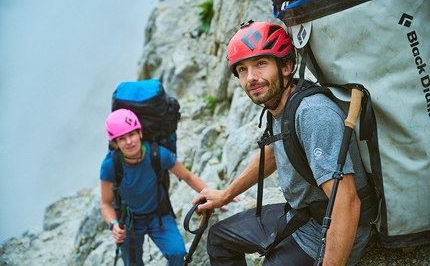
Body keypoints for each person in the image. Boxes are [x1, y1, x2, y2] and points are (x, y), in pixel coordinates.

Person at [192, 20, 375, 266]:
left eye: (260, 64)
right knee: (219, 238)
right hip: (302, 215)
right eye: (242, 70)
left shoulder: (312, 113)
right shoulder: (281, 104)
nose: (251, 78)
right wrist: (225, 195)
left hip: (324, 227)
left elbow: (347, 202)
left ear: (287, 65)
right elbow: (275, 152)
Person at [100, 108, 237, 266]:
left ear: (140, 134)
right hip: (130, 221)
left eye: (131, 134)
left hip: (159, 215)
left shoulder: (158, 155)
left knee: (178, 254)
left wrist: (220, 196)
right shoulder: (111, 165)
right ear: (115, 144)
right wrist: (113, 224)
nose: (129, 142)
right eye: (122, 139)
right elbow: (105, 203)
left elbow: (188, 176)